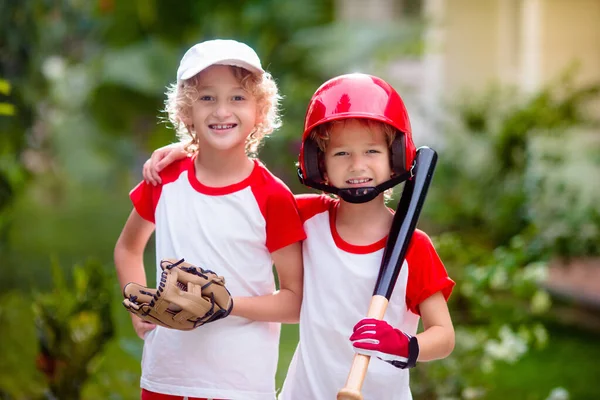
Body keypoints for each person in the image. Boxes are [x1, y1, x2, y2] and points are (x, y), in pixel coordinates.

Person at [143, 73, 455, 400]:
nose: (357, 165)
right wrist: (192, 148)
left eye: (372, 152)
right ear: (318, 164)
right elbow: (250, 190)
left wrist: (407, 345)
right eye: (341, 154)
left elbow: (444, 336)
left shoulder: (413, 247)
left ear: (394, 159)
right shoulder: (306, 217)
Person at [114, 39, 305, 400]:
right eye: (206, 98)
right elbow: (127, 248)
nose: (221, 111)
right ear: (185, 112)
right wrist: (138, 309)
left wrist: (226, 305)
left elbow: (295, 301)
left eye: (237, 97)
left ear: (260, 112)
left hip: (239, 384)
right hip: (165, 378)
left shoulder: (272, 197)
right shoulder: (165, 179)